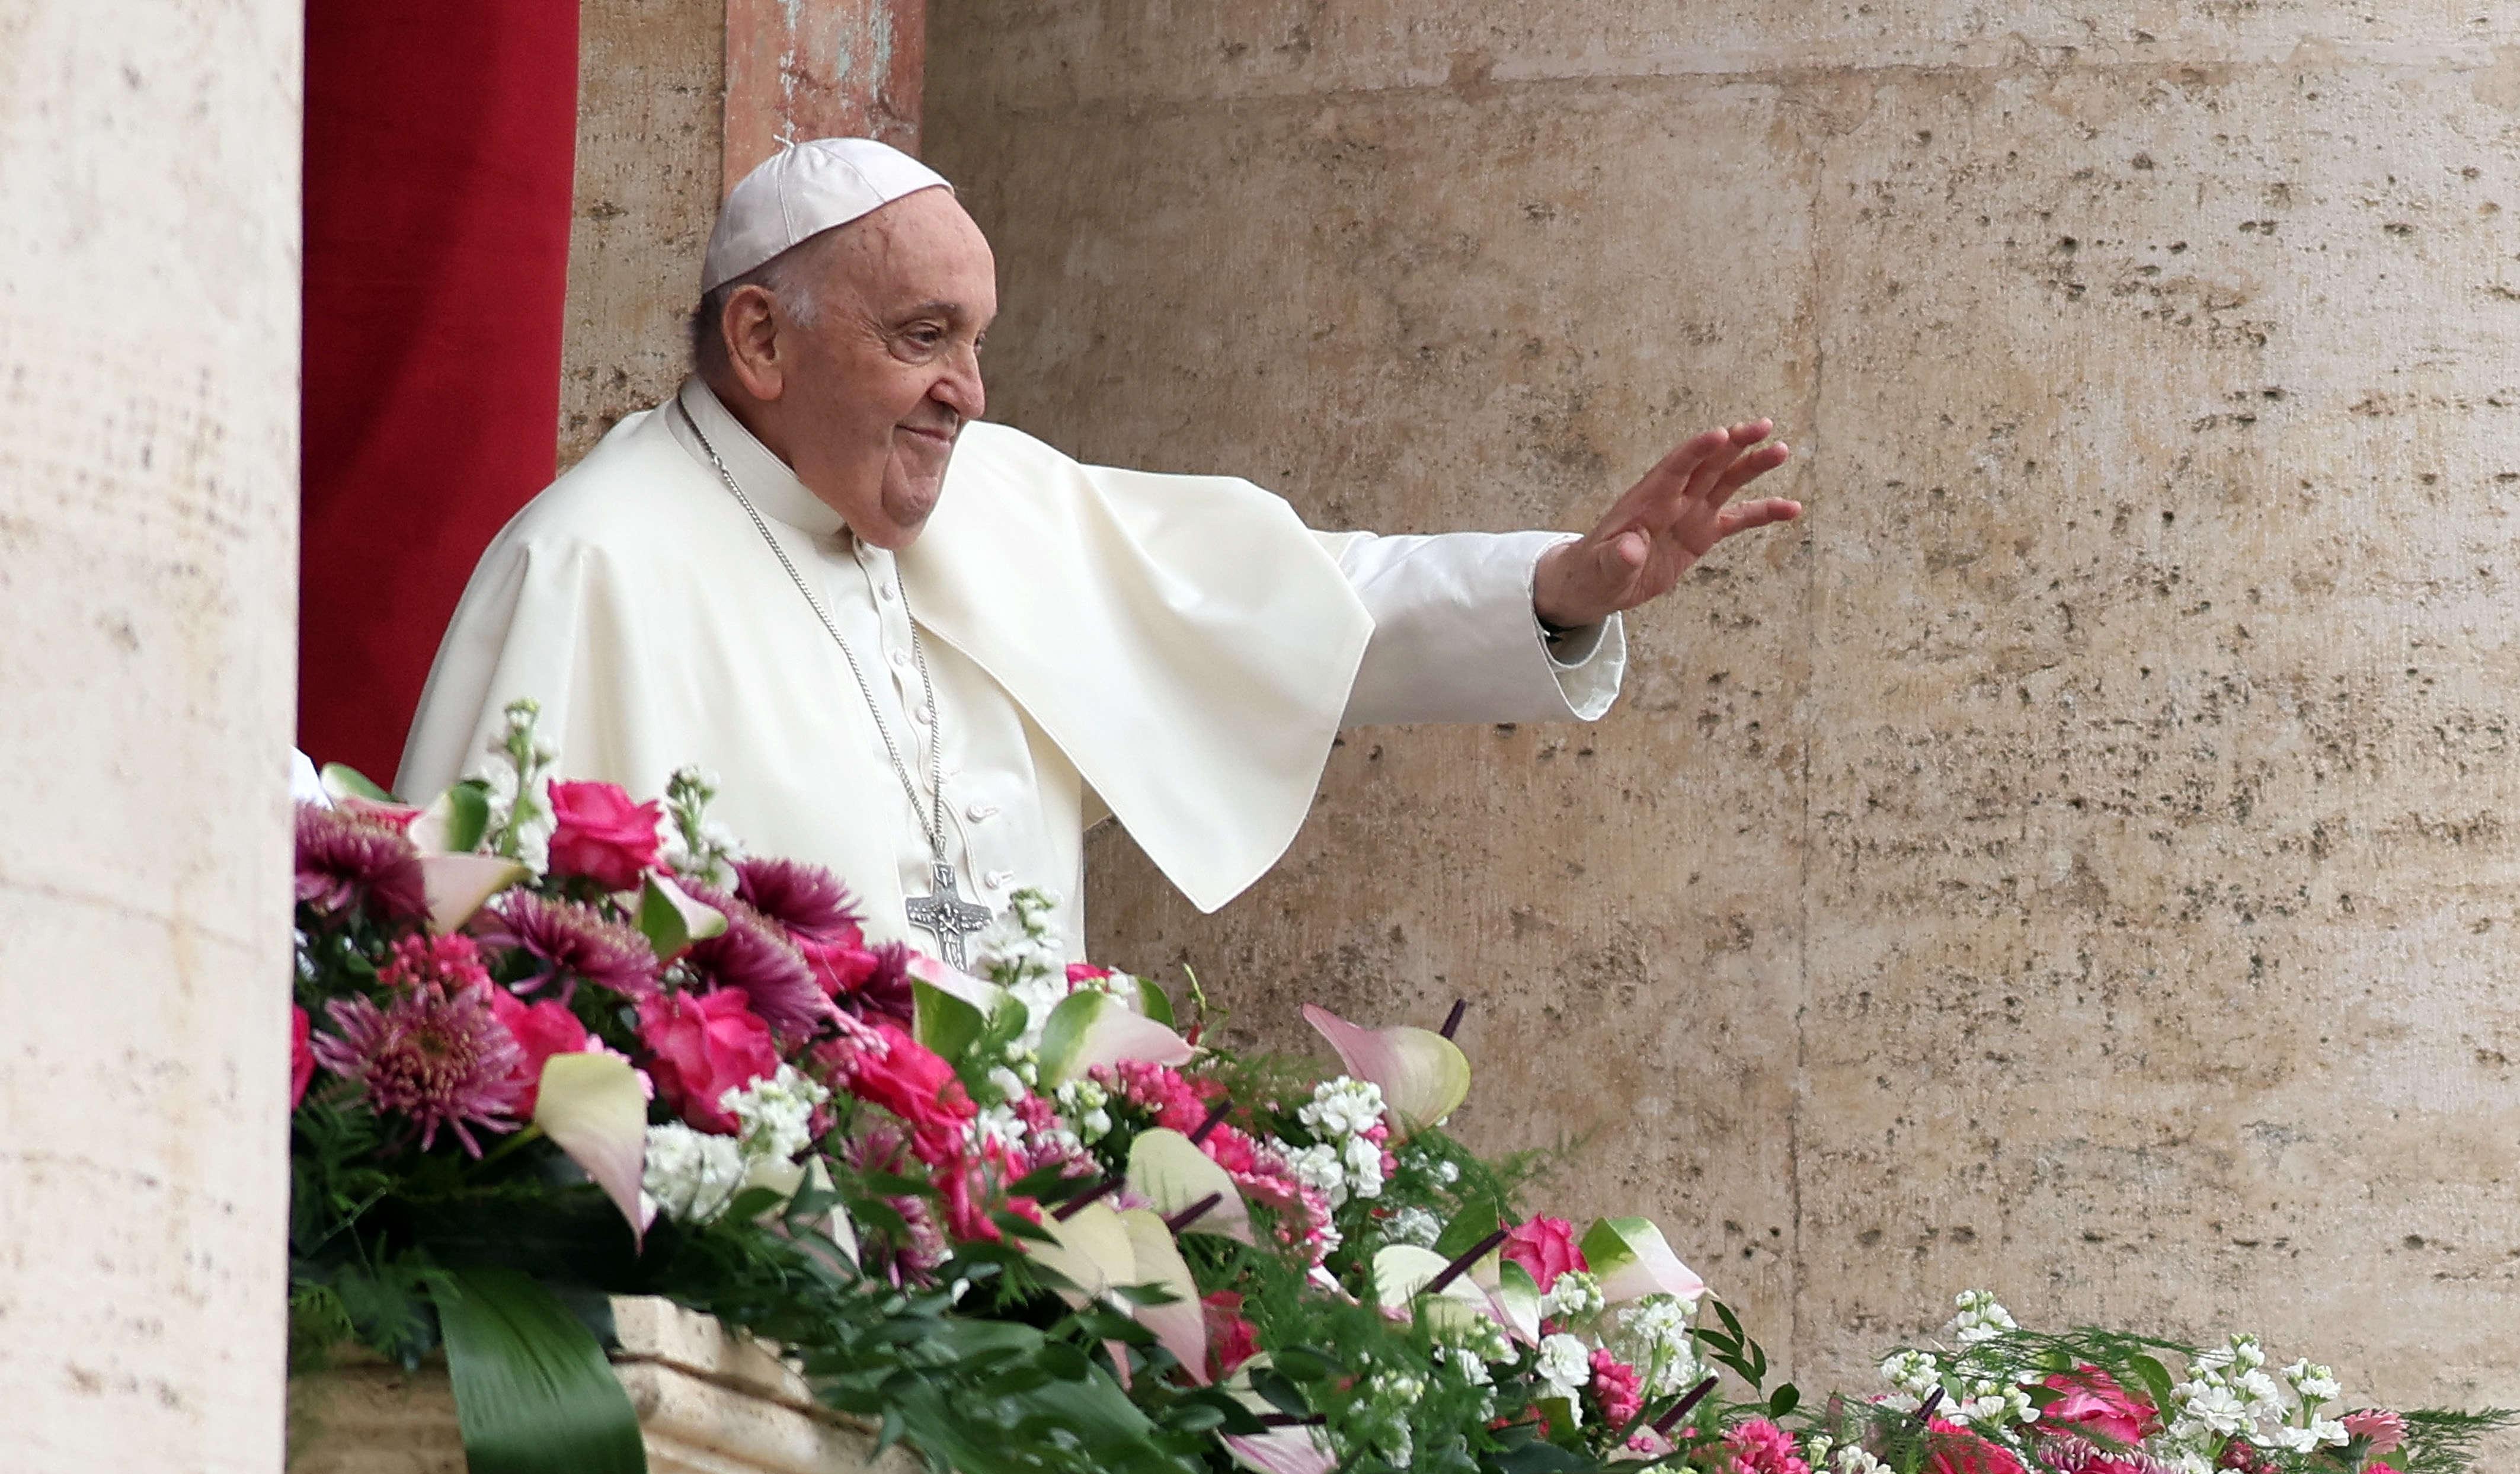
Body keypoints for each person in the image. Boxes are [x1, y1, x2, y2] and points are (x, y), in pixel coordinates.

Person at [399, 139, 1800, 968]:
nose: (970, 390)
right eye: (921, 336)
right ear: (760, 340)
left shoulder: (996, 501)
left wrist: (1556, 589)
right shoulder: (592, 565)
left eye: (977, 341)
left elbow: (1302, 606)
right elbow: (467, 970)